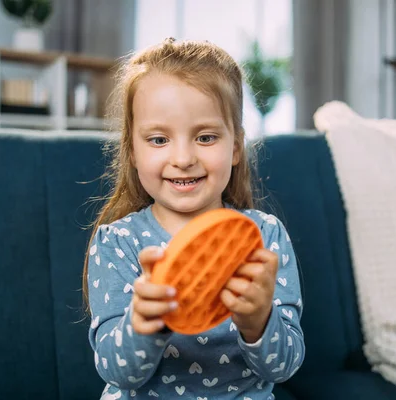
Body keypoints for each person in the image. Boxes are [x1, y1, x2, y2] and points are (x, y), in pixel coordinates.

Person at [83, 38, 304, 400]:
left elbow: (285, 366)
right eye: (158, 140)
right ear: (132, 151)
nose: (183, 157)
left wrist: (259, 323)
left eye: (205, 137)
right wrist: (143, 325)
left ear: (235, 147)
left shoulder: (264, 236)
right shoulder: (117, 242)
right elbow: (115, 372)